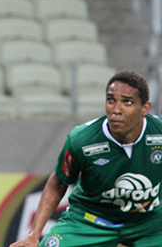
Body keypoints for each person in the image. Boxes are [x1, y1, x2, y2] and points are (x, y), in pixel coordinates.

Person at [10, 71, 162, 247]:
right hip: (90, 221)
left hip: (148, 223)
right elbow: (58, 181)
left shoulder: (158, 134)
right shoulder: (83, 139)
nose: (116, 109)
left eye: (127, 102)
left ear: (145, 108)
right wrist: (33, 235)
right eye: (111, 100)